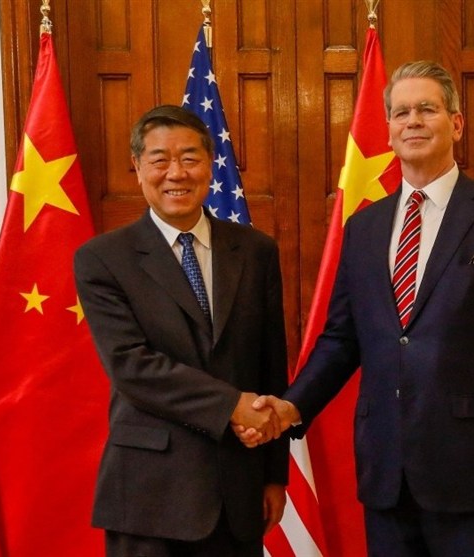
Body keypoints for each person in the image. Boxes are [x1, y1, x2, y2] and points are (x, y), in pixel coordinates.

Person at [238, 61, 474, 556]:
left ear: (456, 123)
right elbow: (341, 339)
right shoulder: (364, 228)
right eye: (401, 112)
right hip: (387, 473)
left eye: (427, 109)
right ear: (388, 130)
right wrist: (291, 406)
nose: (413, 121)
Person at [74, 105, 288, 557]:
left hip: (238, 491)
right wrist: (231, 405)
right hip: (150, 495)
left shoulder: (256, 251)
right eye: (160, 160)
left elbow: (270, 365)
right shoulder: (103, 259)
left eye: (190, 158)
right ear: (138, 168)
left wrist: (273, 474)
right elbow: (131, 367)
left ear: (211, 165)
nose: (176, 173)